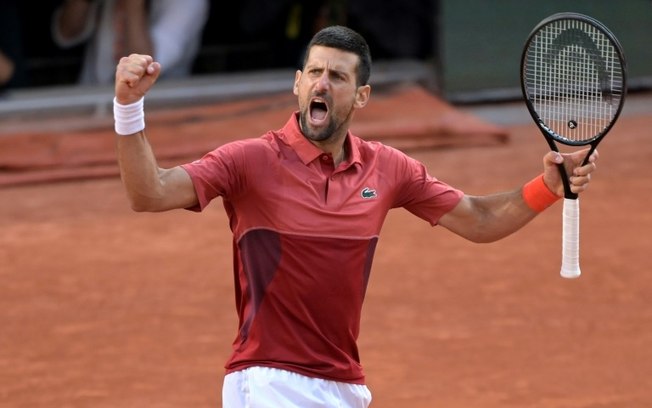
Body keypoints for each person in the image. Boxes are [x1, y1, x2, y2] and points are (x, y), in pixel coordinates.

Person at [112, 26, 598, 407]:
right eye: (314, 72)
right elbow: (150, 192)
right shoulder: (249, 161)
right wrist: (128, 108)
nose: (322, 83)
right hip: (266, 381)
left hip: (344, 384)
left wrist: (548, 188)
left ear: (360, 96)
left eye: (338, 76)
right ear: (298, 84)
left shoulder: (388, 168)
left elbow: (478, 218)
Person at [52, 0, 209, 85]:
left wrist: (132, 5)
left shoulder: (190, 3)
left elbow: (146, 66)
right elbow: (66, 35)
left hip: (154, 116)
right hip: (91, 106)